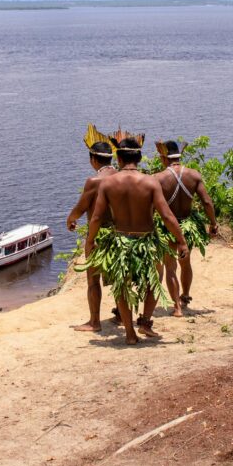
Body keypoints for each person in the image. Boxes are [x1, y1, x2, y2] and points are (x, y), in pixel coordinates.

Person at [81, 132, 189, 345]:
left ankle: (130, 334)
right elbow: (166, 215)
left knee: (122, 286)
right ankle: (146, 321)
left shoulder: (108, 184)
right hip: (147, 241)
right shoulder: (150, 183)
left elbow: (95, 218)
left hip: (120, 241)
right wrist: (181, 240)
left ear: (119, 159)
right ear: (139, 159)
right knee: (153, 281)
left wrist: (91, 241)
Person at [153, 140, 218, 317]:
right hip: (188, 225)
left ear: (163, 157)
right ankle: (186, 296)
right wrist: (213, 223)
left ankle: (177, 307)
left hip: (167, 226)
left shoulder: (159, 178)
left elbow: (152, 207)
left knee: (170, 267)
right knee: (186, 262)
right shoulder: (194, 175)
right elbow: (206, 201)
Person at [65, 125, 116, 332]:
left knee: (93, 279)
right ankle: (122, 315)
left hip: (98, 236)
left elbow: (81, 207)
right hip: (120, 232)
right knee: (120, 277)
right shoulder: (122, 176)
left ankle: (94, 321)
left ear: (93, 159)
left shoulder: (94, 181)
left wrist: (70, 219)